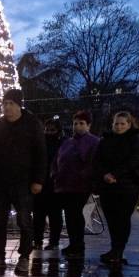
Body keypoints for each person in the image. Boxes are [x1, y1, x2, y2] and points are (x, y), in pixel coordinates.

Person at [0, 90, 45, 273]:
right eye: (5, 104)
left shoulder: (32, 124)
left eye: (11, 103)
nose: (7, 107)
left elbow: (41, 154)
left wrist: (38, 180)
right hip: (1, 183)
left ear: (19, 105)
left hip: (24, 183)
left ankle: (25, 256)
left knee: (24, 221)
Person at [94, 111, 139, 267]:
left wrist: (115, 174)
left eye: (122, 124)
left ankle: (119, 249)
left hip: (128, 186)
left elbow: (136, 159)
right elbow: (97, 160)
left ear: (129, 124)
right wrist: (105, 174)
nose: (119, 127)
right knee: (111, 219)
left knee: (122, 218)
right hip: (108, 186)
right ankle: (114, 248)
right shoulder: (105, 140)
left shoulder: (134, 139)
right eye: (116, 123)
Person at [53, 110, 100, 258]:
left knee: (75, 214)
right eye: (75, 123)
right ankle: (74, 243)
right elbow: (57, 159)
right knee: (70, 215)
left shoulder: (94, 142)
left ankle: (78, 244)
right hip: (64, 185)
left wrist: (83, 175)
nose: (77, 126)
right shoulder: (67, 142)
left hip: (80, 185)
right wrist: (55, 173)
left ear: (88, 125)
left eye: (81, 123)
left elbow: (93, 163)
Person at [33, 117, 65, 250]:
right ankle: (38, 240)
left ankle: (53, 241)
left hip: (55, 185)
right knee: (39, 215)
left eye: (52, 130)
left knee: (54, 216)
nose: (49, 132)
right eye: (47, 129)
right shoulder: (40, 143)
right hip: (41, 183)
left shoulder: (62, 144)